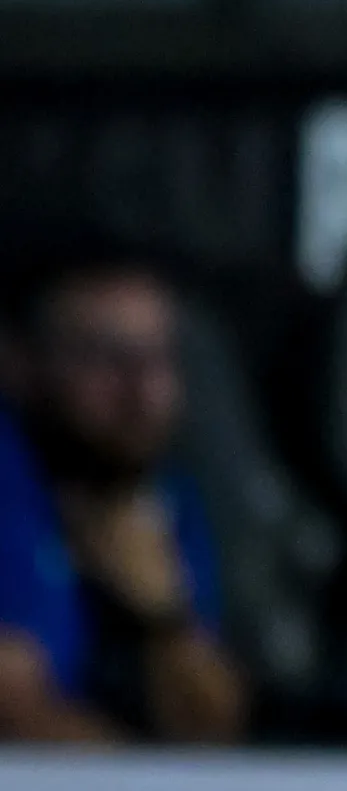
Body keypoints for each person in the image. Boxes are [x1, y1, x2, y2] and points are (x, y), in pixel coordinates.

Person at [0, 252, 244, 746]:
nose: (142, 392)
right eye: (104, 358)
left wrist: (162, 617)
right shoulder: (11, 475)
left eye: (159, 357)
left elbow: (213, 728)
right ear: (21, 363)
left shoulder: (162, 490)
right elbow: (12, 710)